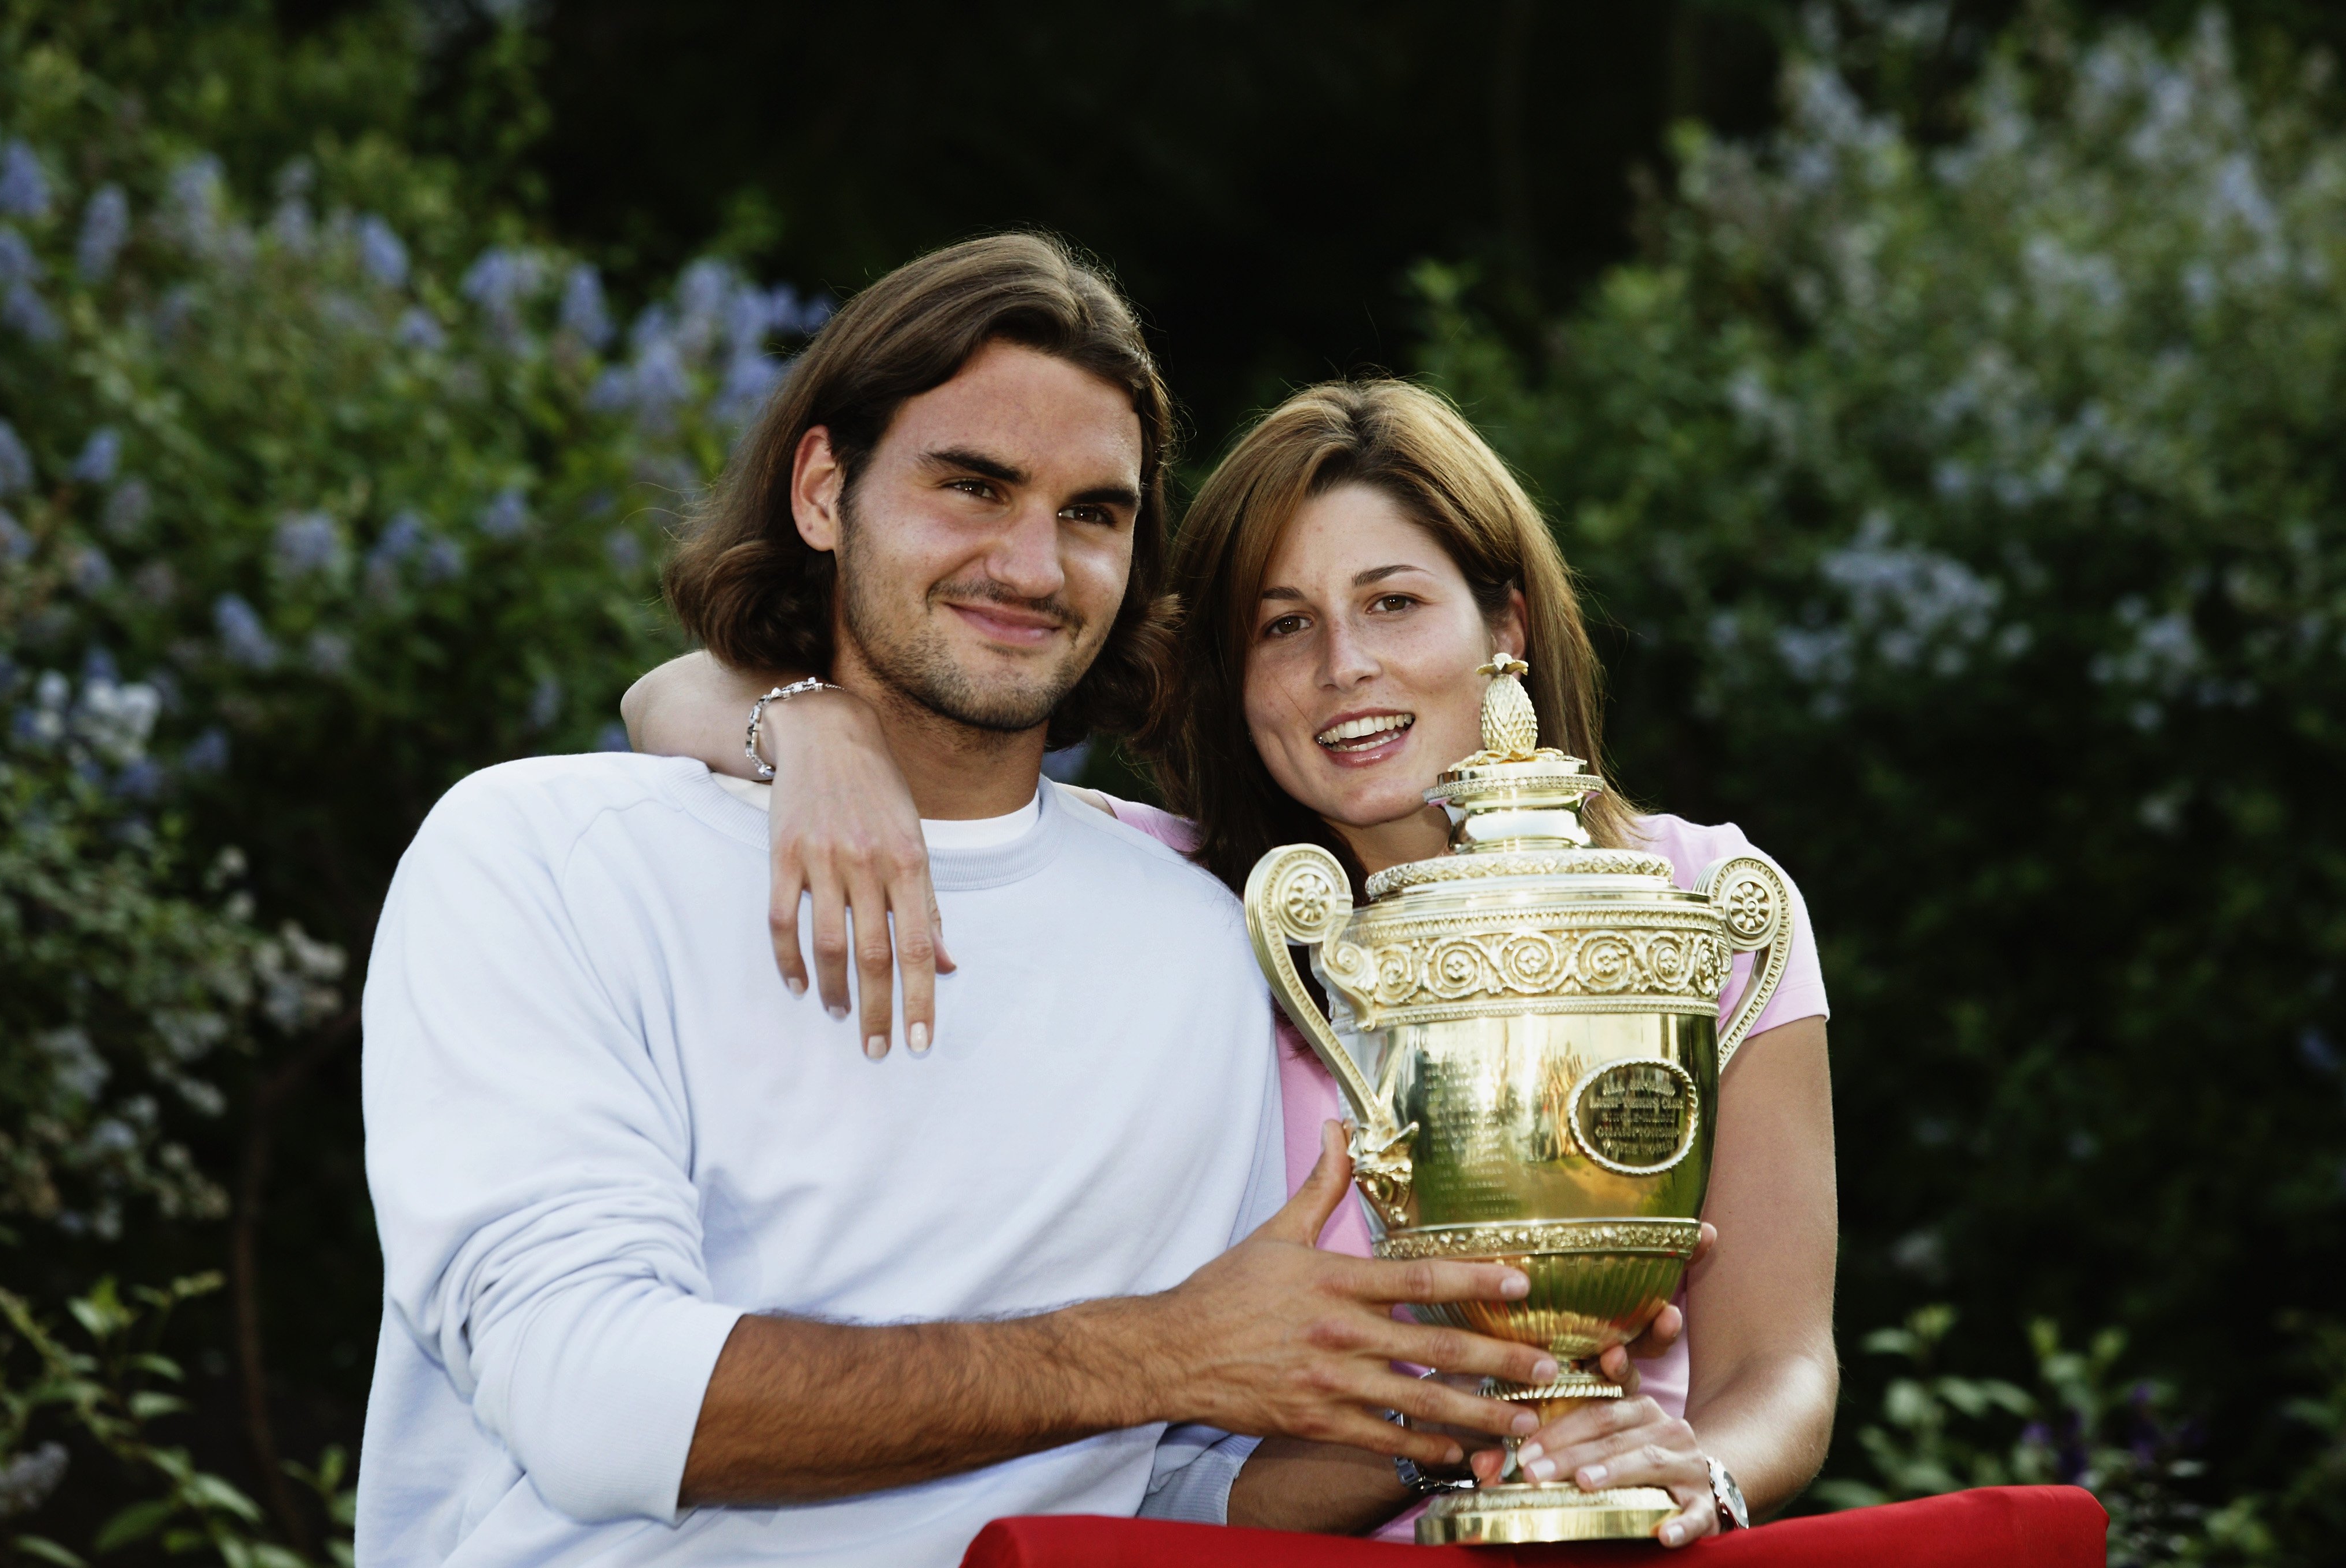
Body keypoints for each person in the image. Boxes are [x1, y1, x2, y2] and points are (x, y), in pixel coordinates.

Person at [356, 238, 1572, 1568]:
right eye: (974, 486)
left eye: (1093, 513)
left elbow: (1158, 1494)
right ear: (824, 490)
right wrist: (1163, 1348)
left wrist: (1463, 1393)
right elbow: (592, 1395)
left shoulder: (1199, 943)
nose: (1032, 563)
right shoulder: (546, 855)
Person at [624, 380, 1840, 1542]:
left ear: (1505, 623)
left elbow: (1777, 1363)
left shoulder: (1705, 903)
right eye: (1282, 625)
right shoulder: (1177, 904)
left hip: (1642, 1540)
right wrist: (815, 723)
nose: (1342, 666)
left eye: (1394, 603)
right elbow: (663, 696)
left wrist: (1699, 1469)